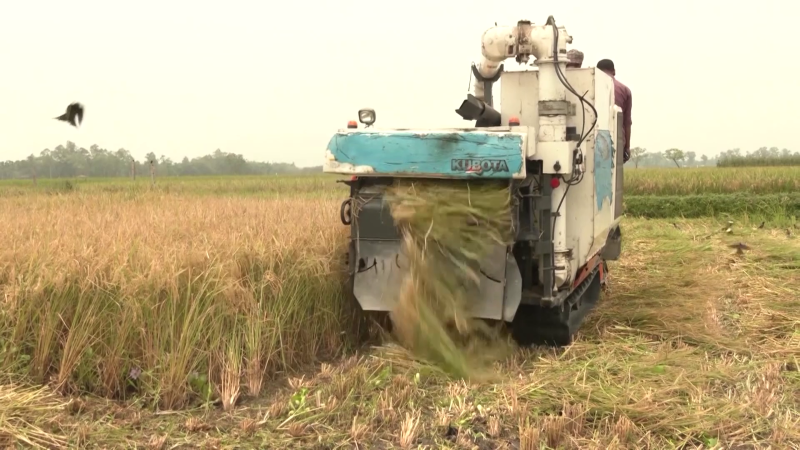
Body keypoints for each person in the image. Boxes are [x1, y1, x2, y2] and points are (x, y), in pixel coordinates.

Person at [596, 59, 632, 163]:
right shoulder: (625, 90)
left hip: (594, 140)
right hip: (617, 140)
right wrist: (627, 147)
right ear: (614, 71)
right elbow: (627, 122)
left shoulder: (590, 86)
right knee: (615, 176)